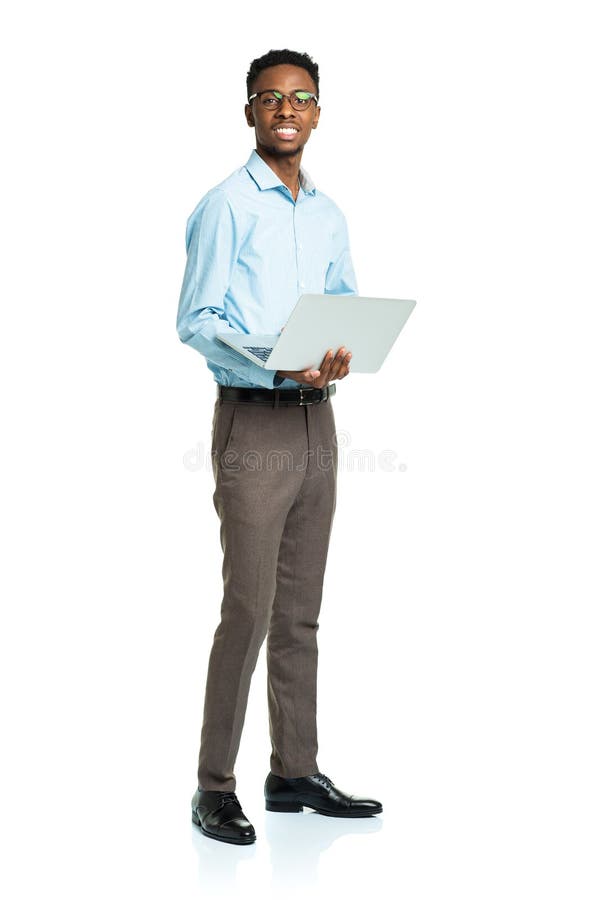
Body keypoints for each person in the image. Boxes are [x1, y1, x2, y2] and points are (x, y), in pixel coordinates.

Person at [177, 48, 383, 845]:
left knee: (300, 613)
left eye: (300, 98)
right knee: (248, 609)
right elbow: (196, 321)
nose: (286, 110)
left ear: (319, 112)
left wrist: (338, 353)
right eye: (270, 98)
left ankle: (293, 770)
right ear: (250, 112)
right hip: (254, 420)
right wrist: (274, 358)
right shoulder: (226, 206)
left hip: (317, 419)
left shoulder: (327, 213)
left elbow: (341, 304)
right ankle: (213, 786)